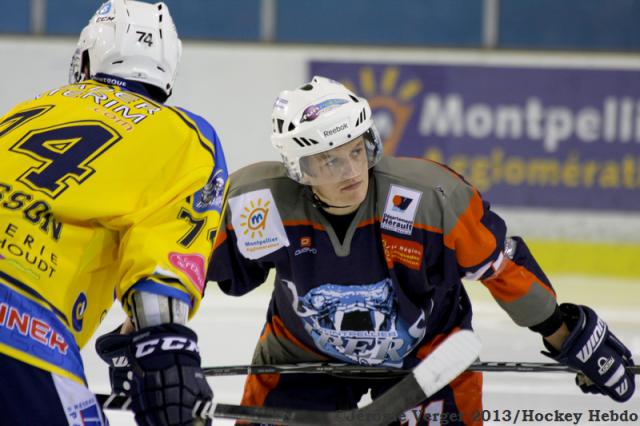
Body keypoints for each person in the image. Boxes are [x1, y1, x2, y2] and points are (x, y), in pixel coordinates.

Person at [206, 76, 635, 425]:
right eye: (331, 161)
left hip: (428, 357)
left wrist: (565, 334)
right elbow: (185, 265)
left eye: (357, 151)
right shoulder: (255, 203)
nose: (353, 171)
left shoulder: (433, 197)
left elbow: (499, 268)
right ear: (299, 168)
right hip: (300, 357)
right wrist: (147, 332)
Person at [0, 1, 227, 425]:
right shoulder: (185, 137)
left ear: (88, 55)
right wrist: (163, 349)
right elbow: (162, 267)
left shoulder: (30, 109)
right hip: (21, 331)